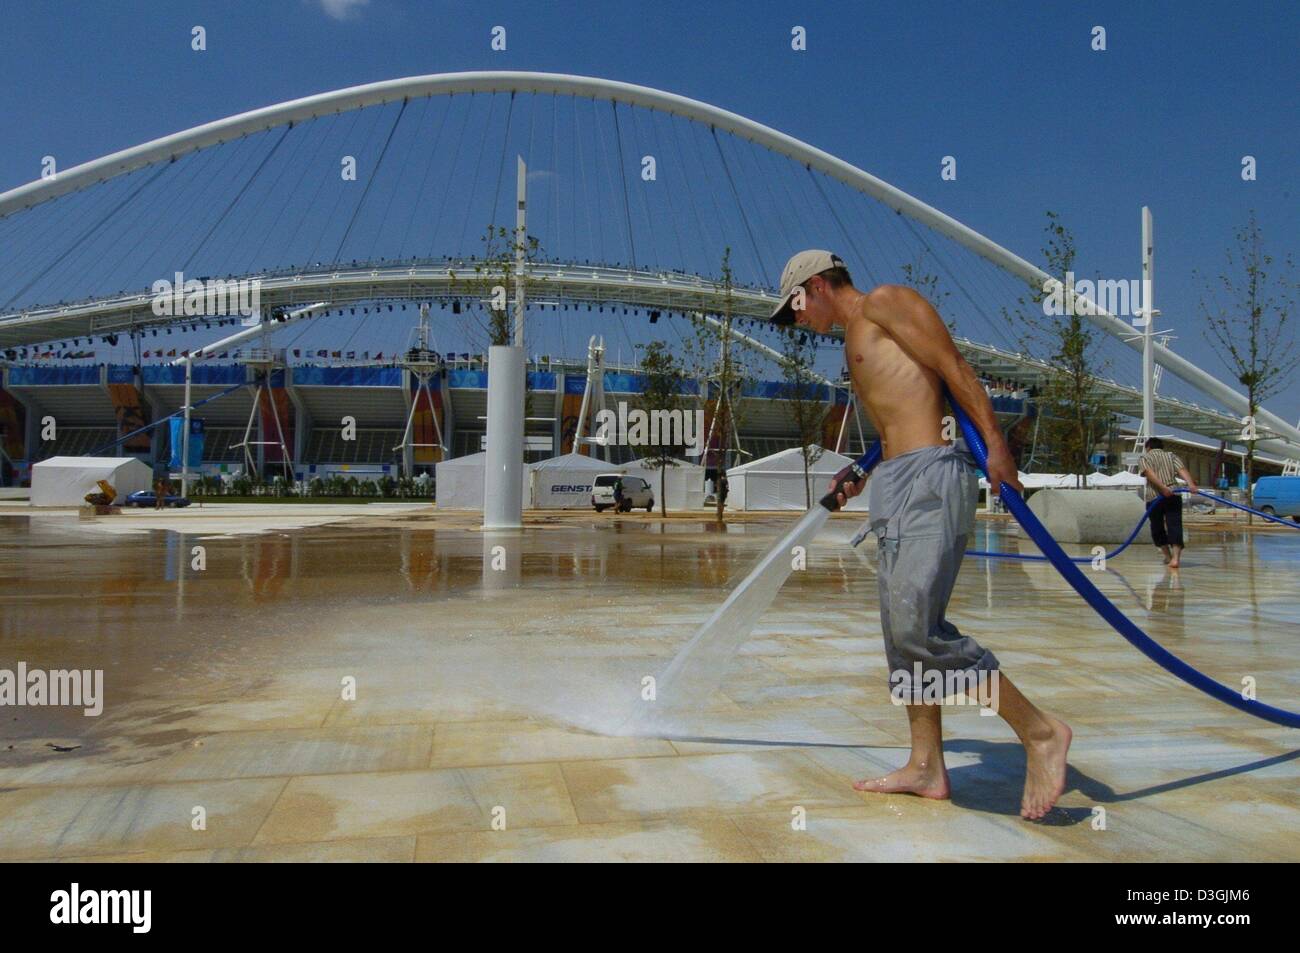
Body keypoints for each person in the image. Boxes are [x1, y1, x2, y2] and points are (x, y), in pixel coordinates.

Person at [771, 249, 1071, 820]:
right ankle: (926, 765)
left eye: (795, 309)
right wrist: (860, 470)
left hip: (933, 476)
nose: (796, 322)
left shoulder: (886, 303)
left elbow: (955, 370)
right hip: (897, 482)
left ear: (815, 285)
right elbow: (900, 412)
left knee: (917, 632)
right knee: (900, 635)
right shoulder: (855, 335)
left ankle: (1040, 732)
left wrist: (998, 448)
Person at [1139, 437, 1198, 569]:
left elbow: (1149, 473)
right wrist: (1191, 484)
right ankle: (1175, 559)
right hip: (1174, 494)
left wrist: (1162, 488)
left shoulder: (1145, 458)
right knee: (1175, 525)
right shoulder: (1171, 456)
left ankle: (1168, 556)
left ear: (1148, 448)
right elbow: (1182, 470)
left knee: (1157, 527)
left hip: (1154, 497)